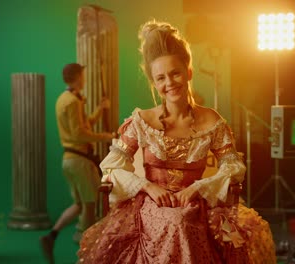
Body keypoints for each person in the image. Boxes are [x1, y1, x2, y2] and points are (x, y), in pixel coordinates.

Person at [77, 20, 276, 263]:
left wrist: (198, 188)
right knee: (176, 222)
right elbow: (112, 167)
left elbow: (234, 167)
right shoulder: (142, 120)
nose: (169, 83)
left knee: (199, 227)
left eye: (175, 73)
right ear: (154, 83)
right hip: (150, 207)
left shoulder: (211, 120)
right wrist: (147, 186)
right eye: (160, 78)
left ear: (188, 72)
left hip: (199, 206)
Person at [40, 63, 114, 263]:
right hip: (79, 161)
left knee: (79, 205)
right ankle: (89, 253)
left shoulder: (65, 99)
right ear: (77, 77)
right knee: (89, 206)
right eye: (83, 75)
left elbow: (83, 125)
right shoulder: (72, 101)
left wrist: (100, 109)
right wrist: (105, 137)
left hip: (69, 160)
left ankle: (51, 236)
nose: (85, 78)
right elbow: (79, 134)